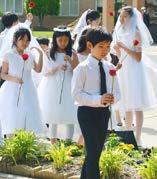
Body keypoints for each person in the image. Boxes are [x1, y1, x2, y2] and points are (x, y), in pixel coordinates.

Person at [71, 27, 120, 179]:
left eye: (108, 47)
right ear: (90, 46)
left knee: (96, 151)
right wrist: (98, 99)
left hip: (103, 113)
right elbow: (76, 94)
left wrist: (113, 98)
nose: (105, 50)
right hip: (86, 113)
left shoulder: (110, 67)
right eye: (101, 46)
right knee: (92, 151)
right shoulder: (82, 68)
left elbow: (117, 92)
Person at [112, 6, 157, 146]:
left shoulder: (136, 33)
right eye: (120, 16)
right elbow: (122, 57)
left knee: (137, 105)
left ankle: (137, 136)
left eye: (124, 16)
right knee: (126, 104)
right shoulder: (120, 32)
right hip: (124, 70)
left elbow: (137, 57)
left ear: (131, 18)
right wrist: (118, 50)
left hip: (135, 71)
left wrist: (124, 47)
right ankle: (129, 134)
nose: (121, 18)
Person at [38, 26, 79, 144]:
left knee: (70, 113)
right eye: (60, 40)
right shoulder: (49, 53)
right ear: (55, 39)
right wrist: (57, 68)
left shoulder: (72, 53)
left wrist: (70, 61)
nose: (63, 43)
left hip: (68, 84)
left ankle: (68, 142)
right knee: (52, 114)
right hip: (52, 85)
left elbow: (77, 69)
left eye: (66, 40)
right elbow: (45, 72)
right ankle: (53, 142)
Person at [0, 28, 43, 136]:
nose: (25, 43)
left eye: (27, 40)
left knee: (28, 113)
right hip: (12, 89)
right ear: (15, 39)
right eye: (22, 39)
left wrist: (41, 55)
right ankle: (11, 140)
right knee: (13, 113)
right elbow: (2, 74)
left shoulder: (30, 55)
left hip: (28, 88)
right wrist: (14, 79)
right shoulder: (9, 55)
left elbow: (38, 70)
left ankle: (25, 140)